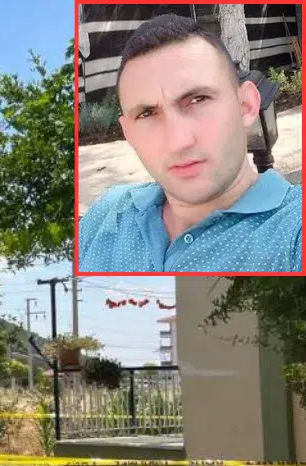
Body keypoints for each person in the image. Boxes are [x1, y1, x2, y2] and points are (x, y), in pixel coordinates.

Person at [78, 14, 302, 273]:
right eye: (147, 114)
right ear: (128, 133)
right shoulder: (107, 214)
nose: (178, 142)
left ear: (246, 105)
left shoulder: (293, 231)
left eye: (198, 100)